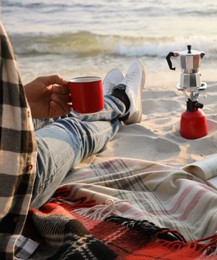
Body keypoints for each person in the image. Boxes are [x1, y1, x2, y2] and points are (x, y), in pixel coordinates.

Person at [0, 22, 146, 259]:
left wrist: (21, 102)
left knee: (50, 116)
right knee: (71, 128)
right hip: (12, 183)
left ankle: (114, 103)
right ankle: (121, 102)